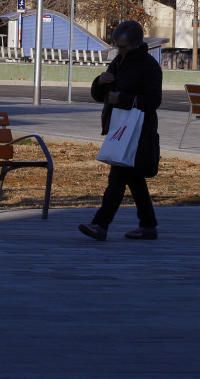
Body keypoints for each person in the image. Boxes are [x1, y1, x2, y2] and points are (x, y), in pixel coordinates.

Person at [79, 20, 162, 241]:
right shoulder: (119, 61)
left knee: (118, 177)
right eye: (117, 46)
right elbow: (100, 95)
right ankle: (148, 225)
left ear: (136, 44)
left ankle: (100, 224)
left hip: (137, 130)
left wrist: (124, 99)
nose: (120, 50)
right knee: (133, 179)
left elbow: (154, 100)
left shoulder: (148, 66)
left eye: (123, 46)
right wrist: (100, 82)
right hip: (118, 127)